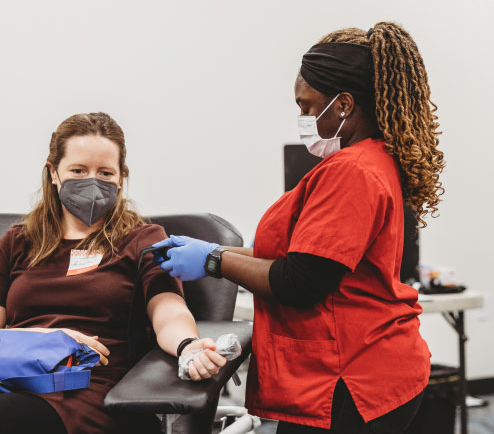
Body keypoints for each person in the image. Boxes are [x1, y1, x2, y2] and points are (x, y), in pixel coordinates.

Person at [152, 22, 445, 433]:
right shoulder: (368, 162)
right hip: (367, 367)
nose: (303, 118)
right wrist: (215, 252)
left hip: (351, 379)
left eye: (307, 107)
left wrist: (215, 261)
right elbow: (302, 258)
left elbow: (301, 280)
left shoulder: (353, 171)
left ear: (343, 105)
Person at [0, 112, 227, 434]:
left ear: (121, 176)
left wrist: (188, 345)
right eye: (78, 170)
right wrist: (44, 338)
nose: (93, 182)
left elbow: (168, 311)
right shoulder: (17, 241)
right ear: (53, 172)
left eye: (105, 172)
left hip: (82, 385)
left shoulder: (143, 239)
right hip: (3, 372)